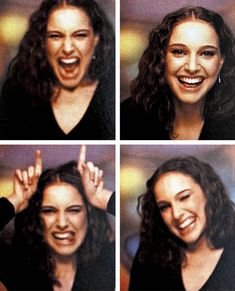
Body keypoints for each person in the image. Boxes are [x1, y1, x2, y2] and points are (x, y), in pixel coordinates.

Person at [0, 145, 115, 290]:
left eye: (73, 210)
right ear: (37, 218)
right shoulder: (20, 270)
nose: (62, 223)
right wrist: (16, 200)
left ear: (89, 215)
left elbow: (149, 218)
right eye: (49, 211)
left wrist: (101, 197)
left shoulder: (109, 264)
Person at [0, 0, 115, 140]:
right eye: (55, 36)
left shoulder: (112, 94)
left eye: (80, 35)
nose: (67, 48)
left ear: (96, 39)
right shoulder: (17, 94)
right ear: (43, 41)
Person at [121, 6, 235, 140]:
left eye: (206, 53)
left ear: (221, 60)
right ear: (162, 57)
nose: (192, 67)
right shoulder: (125, 118)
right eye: (179, 52)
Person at [129, 156, 235, 290]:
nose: (177, 214)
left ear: (208, 193)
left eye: (184, 197)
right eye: (165, 207)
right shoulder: (149, 260)